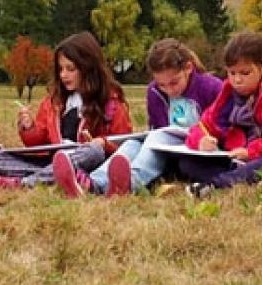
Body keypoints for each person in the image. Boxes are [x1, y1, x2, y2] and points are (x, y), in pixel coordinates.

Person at [69, 39, 227, 197]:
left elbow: (225, 126)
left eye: (174, 83)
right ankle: (95, 182)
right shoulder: (154, 91)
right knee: (133, 143)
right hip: (168, 150)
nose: (169, 90)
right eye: (162, 85)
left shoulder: (212, 87)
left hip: (198, 154)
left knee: (159, 138)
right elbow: (158, 127)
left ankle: (129, 182)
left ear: (188, 68)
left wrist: (208, 140)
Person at [0, 32, 133, 191]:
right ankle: (53, 176)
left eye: (70, 69)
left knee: (93, 152)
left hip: (89, 162)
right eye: (60, 69)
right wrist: (29, 128)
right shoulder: (53, 101)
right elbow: (40, 143)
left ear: (88, 67)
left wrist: (102, 143)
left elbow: (124, 145)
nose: (63, 75)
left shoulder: (111, 102)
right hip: (54, 160)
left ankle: (24, 183)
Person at [173, 31, 262, 196]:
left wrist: (251, 152)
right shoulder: (226, 98)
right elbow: (200, 127)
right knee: (186, 163)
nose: (237, 80)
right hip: (232, 159)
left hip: (261, 159)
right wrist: (201, 140)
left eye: (245, 73)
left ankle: (217, 184)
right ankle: (239, 179)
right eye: (232, 73)